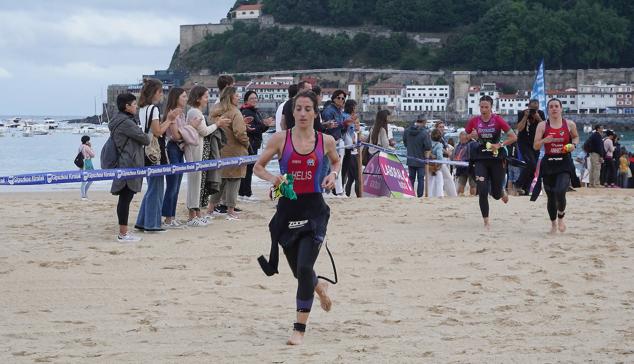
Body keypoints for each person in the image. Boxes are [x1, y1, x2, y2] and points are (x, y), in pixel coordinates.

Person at [254, 90, 339, 346]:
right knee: (298, 271)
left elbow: (336, 162)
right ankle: (319, 286)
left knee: (303, 268)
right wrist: (273, 178)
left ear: (315, 113)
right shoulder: (280, 139)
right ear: (292, 112)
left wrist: (333, 175)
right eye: (298, 109)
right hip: (287, 210)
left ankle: (299, 329)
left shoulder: (326, 141)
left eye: (307, 109)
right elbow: (258, 167)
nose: (302, 113)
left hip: (314, 210)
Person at [465, 95, 517, 229]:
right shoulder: (474, 121)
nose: (483, 110)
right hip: (481, 158)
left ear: (491, 107)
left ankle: (500, 191)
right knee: (482, 190)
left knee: (495, 194)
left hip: (496, 158)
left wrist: (500, 145)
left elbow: (513, 137)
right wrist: (471, 136)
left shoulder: (498, 120)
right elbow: (465, 138)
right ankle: (486, 221)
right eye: (481, 107)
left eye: (486, 107)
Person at [184, 85, 230, 226]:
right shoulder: (195, 112)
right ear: (198, 98)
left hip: (200, 151)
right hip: (196, 152)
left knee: (200, 184)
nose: (207, 99)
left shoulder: (195, 111)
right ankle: (192, 217)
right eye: (205, 96)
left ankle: (197, 214)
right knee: (195, 183)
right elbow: (204, 131)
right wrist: (218, 124)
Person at [134, 78, 176, 233]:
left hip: (144, 150)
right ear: (155, 92)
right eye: (160, 92)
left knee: (152, 187)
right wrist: (170, 121)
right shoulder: (154, 109)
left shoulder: (142, 108)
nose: (162, 95)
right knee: (156, 188)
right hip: (154, 152)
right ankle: (152, 224)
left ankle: (142, 221)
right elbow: (158, 132)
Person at [532, 98, 579, 234]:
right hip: (549, 163)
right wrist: (544, 140)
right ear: (548, 109)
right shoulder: (542, 125)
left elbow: (576, 137)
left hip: (564, 162)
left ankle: (561, 217)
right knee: (551, 197)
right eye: (551, 106)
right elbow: (535, 146)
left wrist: (573, 145)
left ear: (561, 108)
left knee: (560, 191)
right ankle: (553, 224)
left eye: (556, 106)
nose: (554, 109)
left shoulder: (569, 124)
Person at [109, 93, 151, 242]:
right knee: (125, 198)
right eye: (134, 104)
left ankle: (123, 232)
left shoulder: (118, 120)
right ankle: (123, 233)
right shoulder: (126, 123)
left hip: (123, 162)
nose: (136, 107)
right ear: (126, 106)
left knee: (124, 198)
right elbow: (145, 139)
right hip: (128, 163)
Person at [209, 86, 249, 220]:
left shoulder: (216, 111)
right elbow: (239, 133)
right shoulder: (235, 112)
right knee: (234, 180)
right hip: (235, 151)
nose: (239, 97)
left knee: (220, 180)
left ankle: (211, 208)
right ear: (231, 97)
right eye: (237, 95)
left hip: (220, 150)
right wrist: (247, 143)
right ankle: (230, 210)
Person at [239, 91, 274, 201]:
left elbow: (259, 128)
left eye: (255, 98)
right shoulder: (247, 111)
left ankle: (244, 193)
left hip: (254, 143)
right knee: (248, 169)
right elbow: (253, 129)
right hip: (249, 144)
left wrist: (265, 125)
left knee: (248, 169)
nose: (254, 100)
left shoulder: (254, 111)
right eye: (251, 98)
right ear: (246, 100)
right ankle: (246, 193)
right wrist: (264, 125)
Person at [161, 87, 188, 228]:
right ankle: (167, 218)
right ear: (176, 97)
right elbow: (176, 135)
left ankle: (172, 216)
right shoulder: (172, 113)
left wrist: (186, 131)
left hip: (180, 149)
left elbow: (181, 133)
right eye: (183, 96)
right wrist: (189, 130)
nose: (186, 98)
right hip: (172, 148)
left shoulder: (182, 114)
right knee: (172, 185)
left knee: (177, 185)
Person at [515, 99, 545, 195]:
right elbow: (519, 128)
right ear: (528, 106)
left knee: (534, 166)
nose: (534, 111)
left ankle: (526, 189)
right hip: (523, 142)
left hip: (536, 142)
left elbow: (545, 128)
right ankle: (518, 184)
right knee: (531, 163)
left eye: (536, 108)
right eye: (532, 108)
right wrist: (525, 116)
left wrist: (538, 117)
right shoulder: (522, 113)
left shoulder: (540, 113)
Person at [321, 89, 348, 196]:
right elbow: (331, 127)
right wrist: (344, 123)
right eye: (339, 98)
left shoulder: (339, 111)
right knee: (326, 167)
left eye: (343, 98)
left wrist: (345, 125)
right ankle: (324, 190)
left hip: (337, 140)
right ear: (334, 98)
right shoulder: (329, 111)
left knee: (334, 167)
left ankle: (330, 190)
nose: (341, 100)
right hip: (330, 141)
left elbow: (339, 128)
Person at [403, 118, 432, 198]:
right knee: (420, 178)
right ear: (423, 122)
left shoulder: (407, 131)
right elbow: (428, 146)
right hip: (421, 158)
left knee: (411, 177)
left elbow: (405, 143)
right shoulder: (424, 133)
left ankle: (410, 194)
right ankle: (419, 195)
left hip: (410, 158)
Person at [341, 99, 361, 197]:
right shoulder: (347, 117)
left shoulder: (344, 116)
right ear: (352, 107)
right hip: (350, 149)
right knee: (355, 176)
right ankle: (357, 195)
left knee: (349, 176)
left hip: (346, 148)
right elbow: (350, 133)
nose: (355, 109)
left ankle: (345, 192)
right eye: (355, 107)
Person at [434, 121, 458, 197]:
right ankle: (452, 195)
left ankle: (439, 194)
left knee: (440, 178)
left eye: (443, 127)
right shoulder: (436, 136)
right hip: (441, 159)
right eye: (440, 127)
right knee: (447, 178)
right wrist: (447, 152)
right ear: (436, 128)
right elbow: (437, 146)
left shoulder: (442, 137)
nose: (442, 128)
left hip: (444, 159)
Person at [453, 131, 477, 196]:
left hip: (471, 167)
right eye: (461, 138)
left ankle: (472, 197)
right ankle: (460, 197)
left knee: (472, 184)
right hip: (461, 167)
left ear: (467, 137)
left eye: (463, 138)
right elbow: (455, 155)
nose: (462, 139)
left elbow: (473, 156)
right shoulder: (458, 145)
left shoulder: (473, 144)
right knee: (461, 183)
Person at [429, 129, 445, 198]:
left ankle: (430, 194)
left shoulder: (428, 143)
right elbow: (439, 156)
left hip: (429, 164)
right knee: (439, 180)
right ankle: (440, 194)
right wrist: (440, 164)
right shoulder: (439, 145)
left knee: (430, 180)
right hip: (436, 164)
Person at [78, 135, 95, 200]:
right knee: (90, 179)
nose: (89, 141)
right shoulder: (86, 147)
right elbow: (93, 155)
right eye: (88, 140)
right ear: (86, 141)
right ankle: (84, 195)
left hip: (82, 164)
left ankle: (84, 195)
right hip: (87, 163)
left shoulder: (80, 147)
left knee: (84, 180)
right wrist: (90, 147)